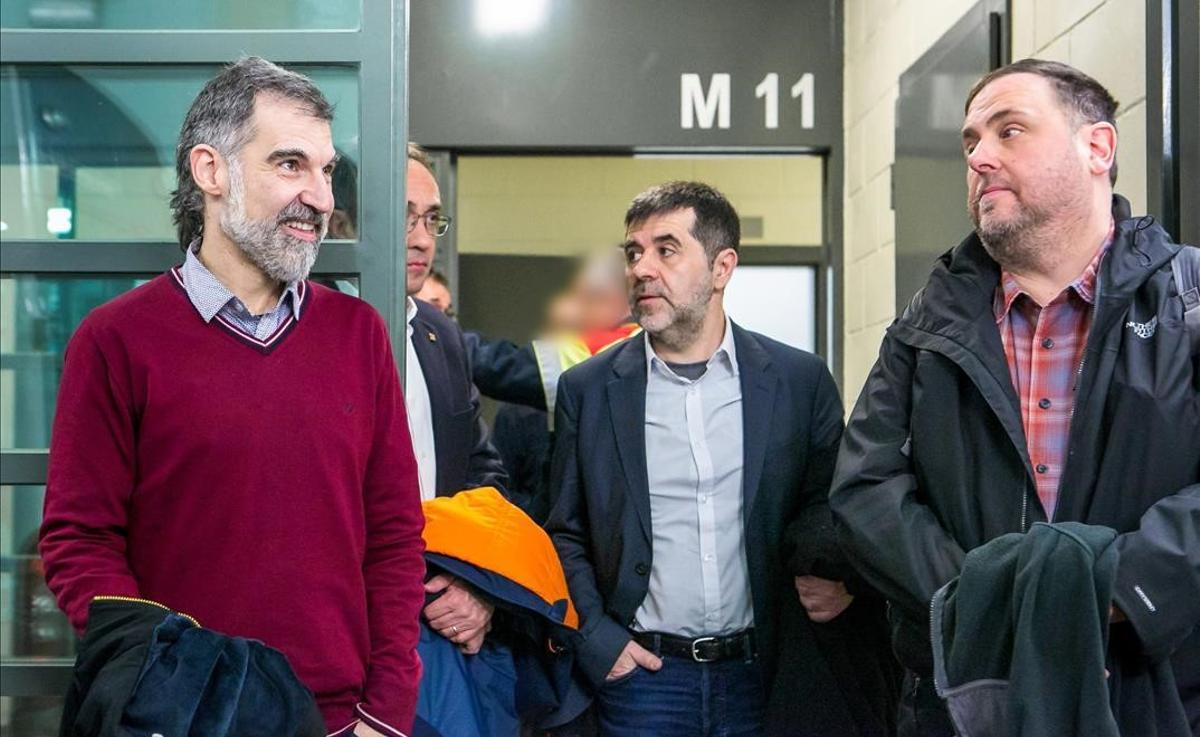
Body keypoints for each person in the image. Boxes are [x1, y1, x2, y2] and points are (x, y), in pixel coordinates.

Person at [38, 58, 424, 736]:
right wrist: (158, 685)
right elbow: (80, 538)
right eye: (290, 164)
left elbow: (393, 537)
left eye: (327, 169)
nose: (322, 196)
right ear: (211, 172)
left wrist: (385, 712)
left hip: (341, 720)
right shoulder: (115, 341)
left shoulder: (358, 333)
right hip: (181, 719)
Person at [830, 58, 1200, 736]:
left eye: (1009, 131)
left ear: (1097, 147)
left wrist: (1109, 590)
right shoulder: (924, 324)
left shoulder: (1188, 299)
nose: (980, 158)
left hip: (1155, 693)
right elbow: (865, 489)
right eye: (971, 142)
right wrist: (987, 598)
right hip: (966, 697)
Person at [547, 181, 894, 736]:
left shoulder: (796, 381)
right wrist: (599, 641)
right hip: (643, 681)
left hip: (767, 674)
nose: (641, 269)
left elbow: (837, 500)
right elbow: (565, 530)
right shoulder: (588, 390)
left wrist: (839, 576)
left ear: (721, 267)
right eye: (633, 252)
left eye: (666, 249)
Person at [403, 143, 510, 658]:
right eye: (405, 218)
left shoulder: (439, 335)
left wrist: (473, 585)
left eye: (431, 220)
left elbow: (482, 474)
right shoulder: (299, 331)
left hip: (434, 628)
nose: (422, 239)